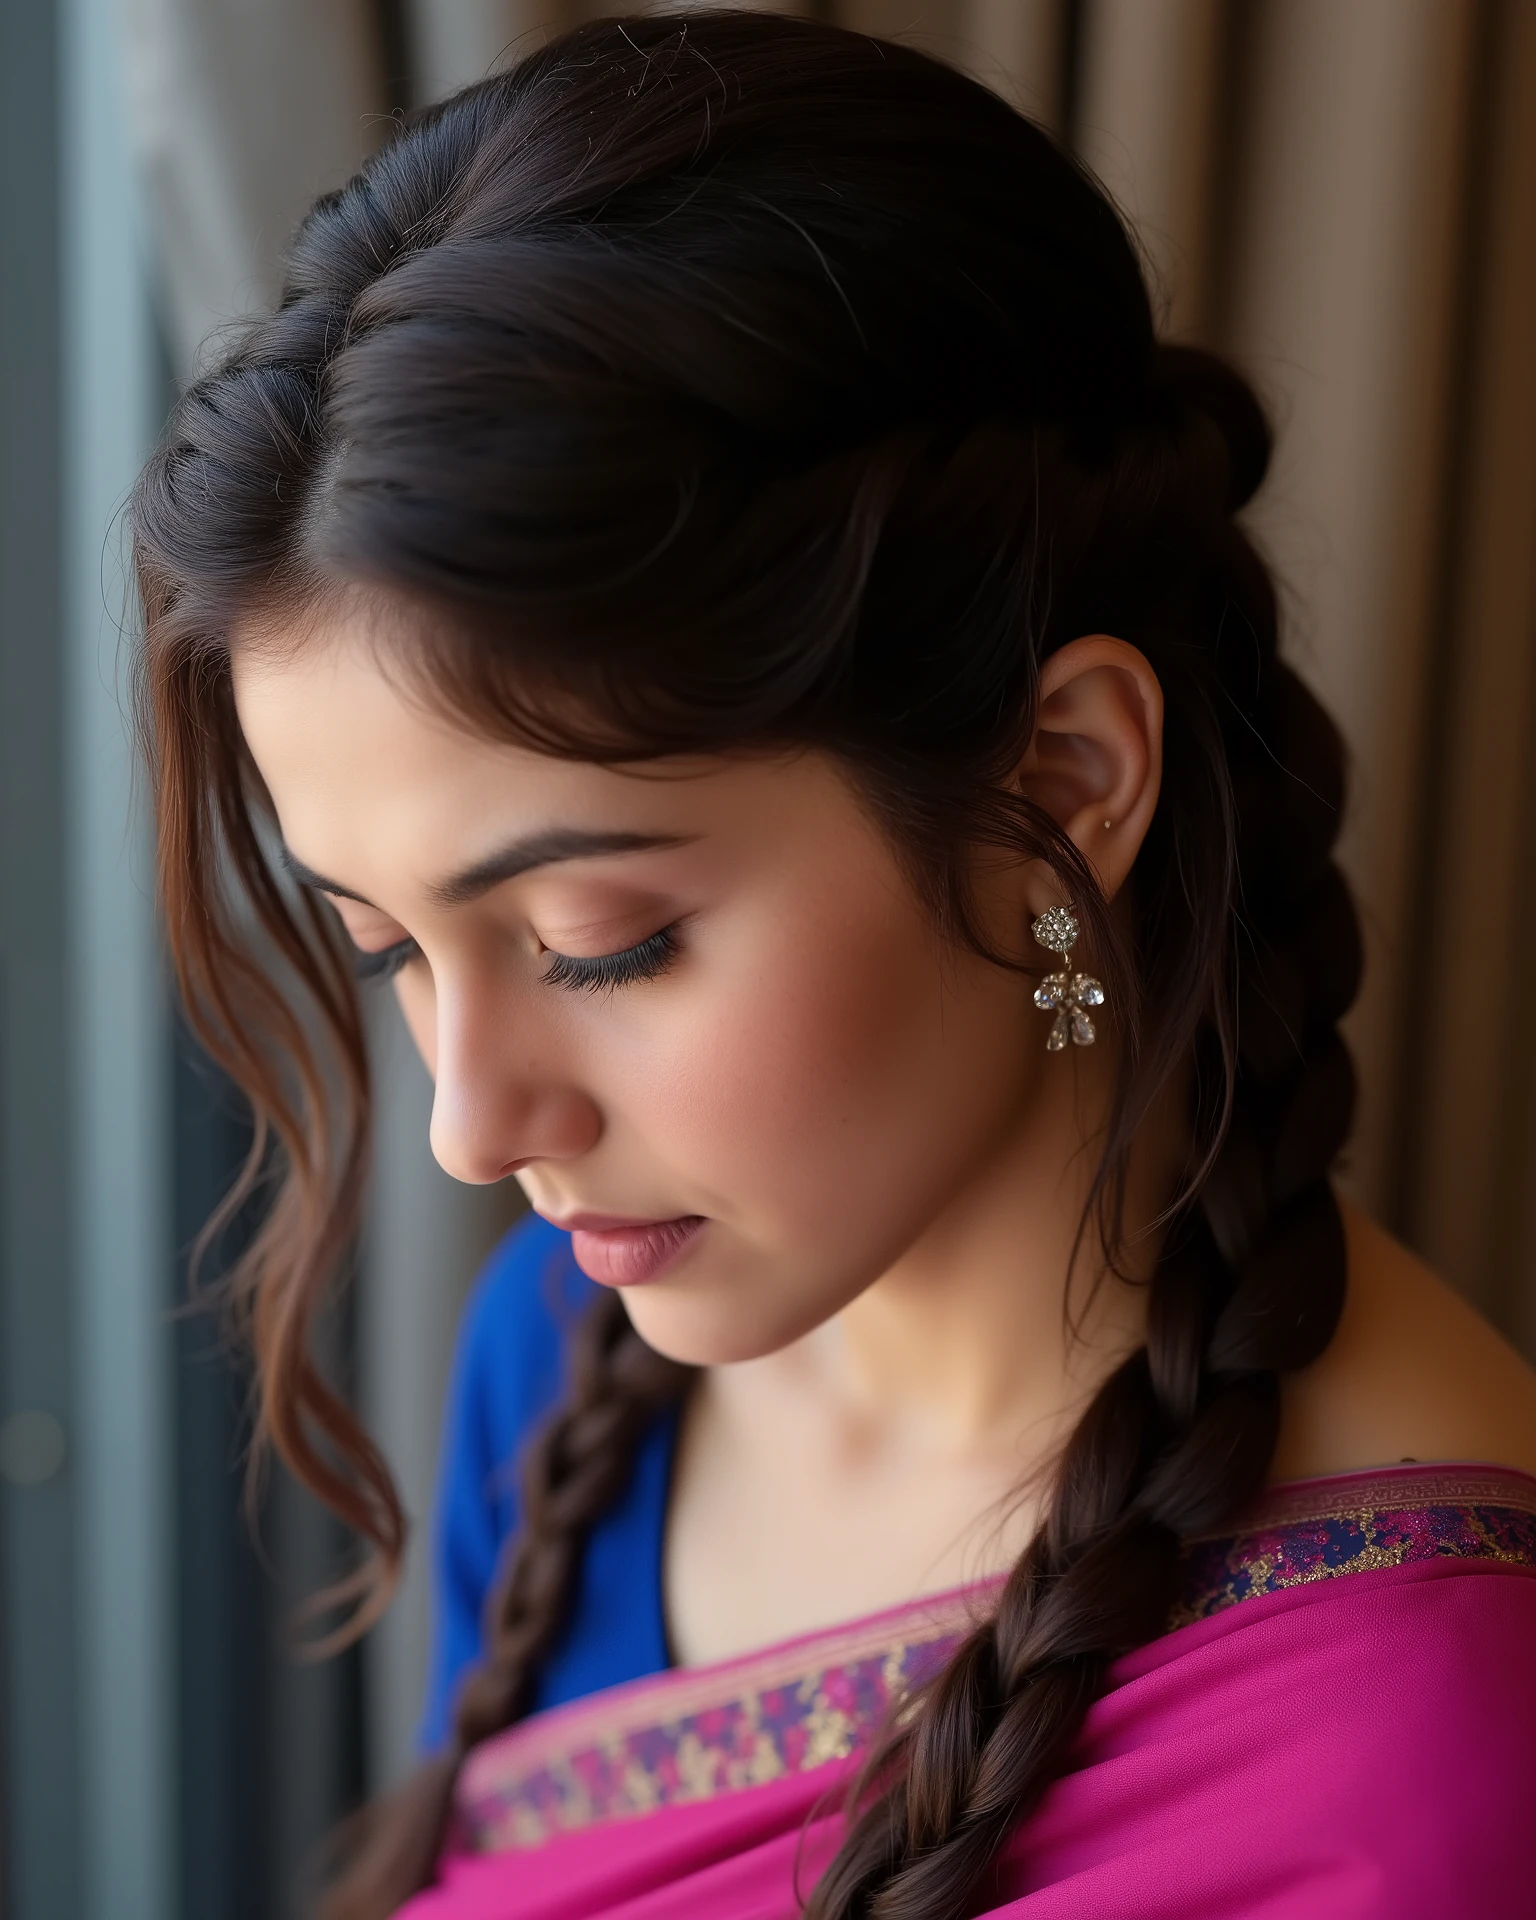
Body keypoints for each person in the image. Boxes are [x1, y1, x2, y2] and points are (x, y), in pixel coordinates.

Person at [130, 13, 1536, 1918]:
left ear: (1059, 782)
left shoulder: (1427, 1746)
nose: (474, 1129)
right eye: (385, 945)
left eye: (601, 944)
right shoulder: (558, 1367)